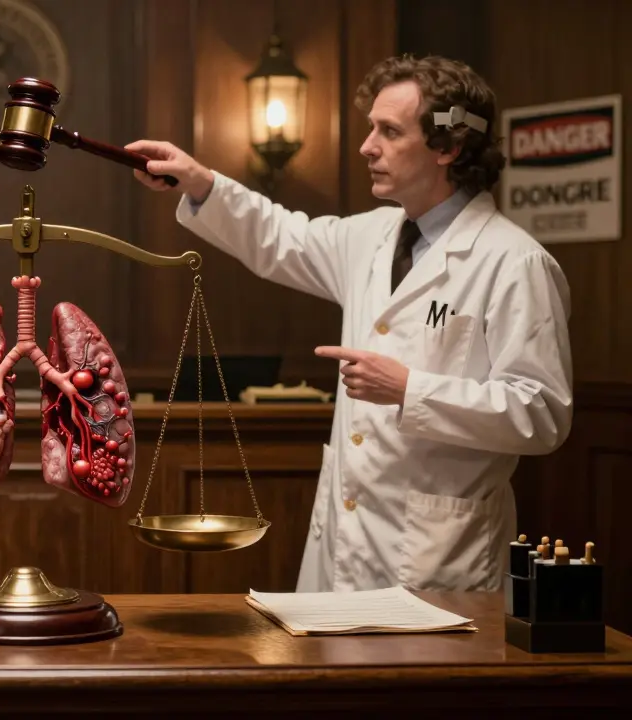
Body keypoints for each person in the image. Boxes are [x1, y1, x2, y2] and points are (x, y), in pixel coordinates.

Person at [126, 54, 573, 593]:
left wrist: (411, 390)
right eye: (371, 129)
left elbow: (542, 412)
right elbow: (279, 237)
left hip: (439, 556)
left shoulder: (513, 261)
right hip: (346, 540)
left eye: (389, 131)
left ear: (449, 147)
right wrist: (199, 183)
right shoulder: (371, 236)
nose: (367, 146)